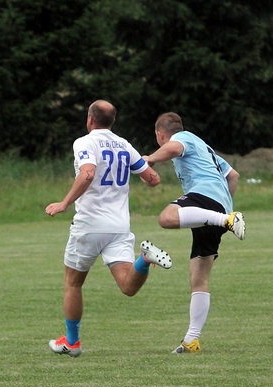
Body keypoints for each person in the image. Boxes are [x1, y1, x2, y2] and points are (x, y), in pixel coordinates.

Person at [45, 100, 172, 358]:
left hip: (90, 224)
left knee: (73, 283)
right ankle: (145, 259)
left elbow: (87, 174)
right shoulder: (124, 144)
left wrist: (64, 203)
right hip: (119, 226)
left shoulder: (85, 142)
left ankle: (72, 342)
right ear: (112, 121)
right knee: (127, 287)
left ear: (90, 119)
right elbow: (153, 179)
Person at [143, 112, 245, 354]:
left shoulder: (184, 138)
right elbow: (233, 175)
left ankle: (227, 220)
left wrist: (150, 159)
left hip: (207, 199)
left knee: (166, 217)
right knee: (199, 277)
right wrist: (224, 208)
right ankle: (192, 340)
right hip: (219, 207)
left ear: (160, 134)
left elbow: (173, 148)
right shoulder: (204, 148)